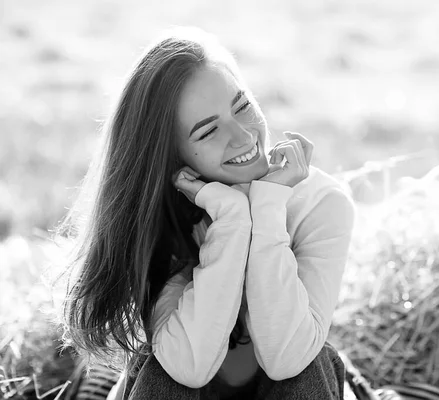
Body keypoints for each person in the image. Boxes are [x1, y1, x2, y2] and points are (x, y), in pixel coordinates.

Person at [59, 26, 356, 400]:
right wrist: (230, 221)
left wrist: (267, 206)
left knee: (312, 363)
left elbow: (287, 358)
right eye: (208, 132)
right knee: (164, 370)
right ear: (173, 154)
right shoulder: (160, 214)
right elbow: (189, 366)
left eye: (243, 106)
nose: (245, 137)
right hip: (189, 382)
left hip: (293, 385)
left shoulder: (321, 203)